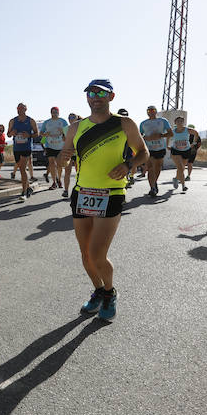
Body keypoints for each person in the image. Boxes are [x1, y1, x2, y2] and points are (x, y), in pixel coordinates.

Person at [59, 79, 147, 322]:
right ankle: (98, 290)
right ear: (86, 97)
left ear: (111, 96)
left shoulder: (124, 123)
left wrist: (128, 164)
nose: (95, 96)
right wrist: (63, 158)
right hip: (82, 193)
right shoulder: (76, 128)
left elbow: (143, 152)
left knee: (98, 254)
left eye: (101, 92)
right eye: (91, 92)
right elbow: (63, 161)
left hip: (111, 194)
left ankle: (109, 292)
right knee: (85, 255)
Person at [139, 105, 172, 197]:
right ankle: (152, 187)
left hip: (160, 148)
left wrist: (160, 136)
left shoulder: (163, 121)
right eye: (148, 110)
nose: (150, 112)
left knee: (157, 167)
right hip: (149, 148)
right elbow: (139, 136)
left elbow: (170, 133)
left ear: (156, 111)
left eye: (152, 110)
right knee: (150, 168)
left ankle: (154, 183)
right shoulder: (143, 123)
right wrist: (146, 138)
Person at [7, 103, 39, 199]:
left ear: (25, 109)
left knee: (22, 169)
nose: (19, 110)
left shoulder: (31, 121)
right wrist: (11, 133)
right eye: (18, 108)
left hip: (26, 147)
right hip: (16, 148)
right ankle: (28, 188)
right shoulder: (13, 121)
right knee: (22, 169)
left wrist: (29, 135)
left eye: (21, 108)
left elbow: (37, 134)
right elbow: (8, 134)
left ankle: (24, 191)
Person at [40, 107, 67, 189]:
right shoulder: (47, 122)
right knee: (52, 164)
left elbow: (68, 132)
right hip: (50, 145)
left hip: (60, 146)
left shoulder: (63, 121)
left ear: (58, 112)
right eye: (53, 112)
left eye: (56, 112)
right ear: (50, 112)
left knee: (59, 165)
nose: (54, 113)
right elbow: (41, 133)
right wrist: (45, 134)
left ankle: (59, 179)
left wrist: (63, 131)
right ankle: (54, 182)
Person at [169, 116, 191, 192]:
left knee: (182, 168)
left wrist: (194, 142)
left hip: (186, 150)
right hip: (176, 150)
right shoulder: (173, 131)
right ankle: (183, 185)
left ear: (183, 122)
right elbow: (167, 136)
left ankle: (175, 178)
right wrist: (167, 145)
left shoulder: (187, 130)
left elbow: (196, 133)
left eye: (181, 121)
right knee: (181, 168)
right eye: (178, 121)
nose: (180, 122)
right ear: (175, 123)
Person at [62, 113, 80, 198]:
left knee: (79, 172)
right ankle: (66, 190)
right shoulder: (65, 129)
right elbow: (64, 139)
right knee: (67, 172)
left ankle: (79, 189)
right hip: (69, 152)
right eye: (69, 117)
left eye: (73, 117)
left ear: (77, 119)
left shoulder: (80, 127)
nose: (71, 119)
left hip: (78, 153)